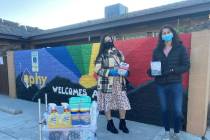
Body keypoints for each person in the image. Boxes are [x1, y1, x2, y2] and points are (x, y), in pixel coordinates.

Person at [148, 25, 190, 140]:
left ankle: (176, 132)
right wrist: (151, 71)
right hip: (160, 84)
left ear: (172, 34)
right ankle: (167, 132)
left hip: (175, 83)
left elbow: (186, 66)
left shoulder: (180, 48)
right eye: (164, 33)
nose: (166, 35)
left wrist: (173, 70)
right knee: (164, 109)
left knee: (177, 111)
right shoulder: (157, 50)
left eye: (168, 32)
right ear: (161, 36)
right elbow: (154, 66)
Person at [95, 35, 131, 134]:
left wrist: (126, 72)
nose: (109, 42)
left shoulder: (119, 53)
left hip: (119, 82)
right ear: (103, 43)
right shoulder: (101, 55)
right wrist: (110, 72)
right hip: (106, 83)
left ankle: (122, 123)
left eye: (110, 40)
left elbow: (124, 65)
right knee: (108, 104)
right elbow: (97, 69)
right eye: (106, 41)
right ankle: (109, 124)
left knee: (122, 102)